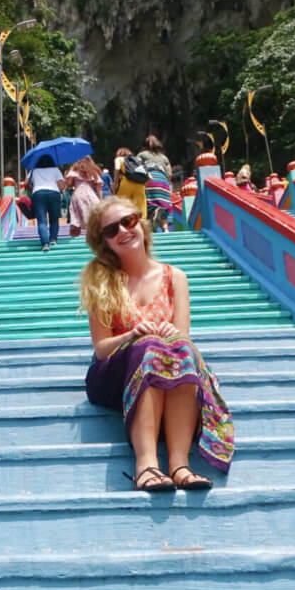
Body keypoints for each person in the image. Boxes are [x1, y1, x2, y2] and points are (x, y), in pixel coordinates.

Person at [80, 196, 234, 491]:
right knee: (147, 346)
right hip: (113, 375)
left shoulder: (174, 277)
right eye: (112, 230)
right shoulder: (102, 280)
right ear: (105, 242)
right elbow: (101, 349)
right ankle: (146, 465)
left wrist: (168, 333)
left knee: (180, 349)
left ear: (141, 222)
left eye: (128, 221)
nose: (123, 231)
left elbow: (182, 336)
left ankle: (179, 465)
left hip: (167, 366)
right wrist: (132, 335)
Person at [28, 154, 66, 251]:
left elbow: (26, 183)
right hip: (54, 193)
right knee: (54, 219)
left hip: (38, 194)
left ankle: (45, 243)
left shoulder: (34, 170)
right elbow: (61, 186)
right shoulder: (56, 170)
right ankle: (53, 239)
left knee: (42, 221)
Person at [138, 135, 173, 231]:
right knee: (163, 207)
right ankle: (165, 230)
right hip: (163, 183)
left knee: (148, 206)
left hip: (149, 181)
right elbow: (169, 174)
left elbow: (136, 169)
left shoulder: (142, 155)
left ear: (144, 146)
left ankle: (150, 229)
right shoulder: (164, 158)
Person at [64, 156, 102, 236]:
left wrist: (71, 170)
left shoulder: (75, 171)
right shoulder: (93, 172)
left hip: (78, 196)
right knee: (92, 219)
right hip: (91, 196)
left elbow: (69, 184)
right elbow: (99, 187)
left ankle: (75, 240)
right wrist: (101, 200)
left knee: (76, 221)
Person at [112, 147, 147, 218]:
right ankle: (141, 224)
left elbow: (117, 172)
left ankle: (123, 221)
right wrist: (143, 185)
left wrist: (115, 186)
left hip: (126, 183)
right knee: (140, 209)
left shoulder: (119, 159)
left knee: (122, 206)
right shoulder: (138, 160)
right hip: (140, 185)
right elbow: (150, 177)